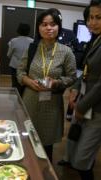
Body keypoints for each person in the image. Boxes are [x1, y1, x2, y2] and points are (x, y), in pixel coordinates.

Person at [60, 0, 101, 179]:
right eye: (90, 17)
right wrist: (75, 90)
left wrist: (81, 106)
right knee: (76, 144)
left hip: (100, 108)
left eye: (98, 17)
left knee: (83, 159)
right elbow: (87, 70)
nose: (92, 22)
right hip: (86, 100)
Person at [17, 8, 77, 162]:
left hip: (52, 103)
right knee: (27, 138)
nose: (49, 28)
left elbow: (72, 77)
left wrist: (57, 82)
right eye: (44, 24)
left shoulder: (66, 52)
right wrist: (29, 82)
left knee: (46, 144)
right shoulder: (31, 48)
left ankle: (44, 172)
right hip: (30, 99)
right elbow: (20, 72)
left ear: (59, 27)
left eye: (53, 24)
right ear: (39, 27)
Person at [7, 23, 33, 94]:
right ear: (28, 31)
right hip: (27, 66)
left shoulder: (13, 41)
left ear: (18, 30)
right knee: (25, 84)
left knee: (15, 83)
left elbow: (9, 55)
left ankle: (15, 98)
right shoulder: (32, 41)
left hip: (15, 65)